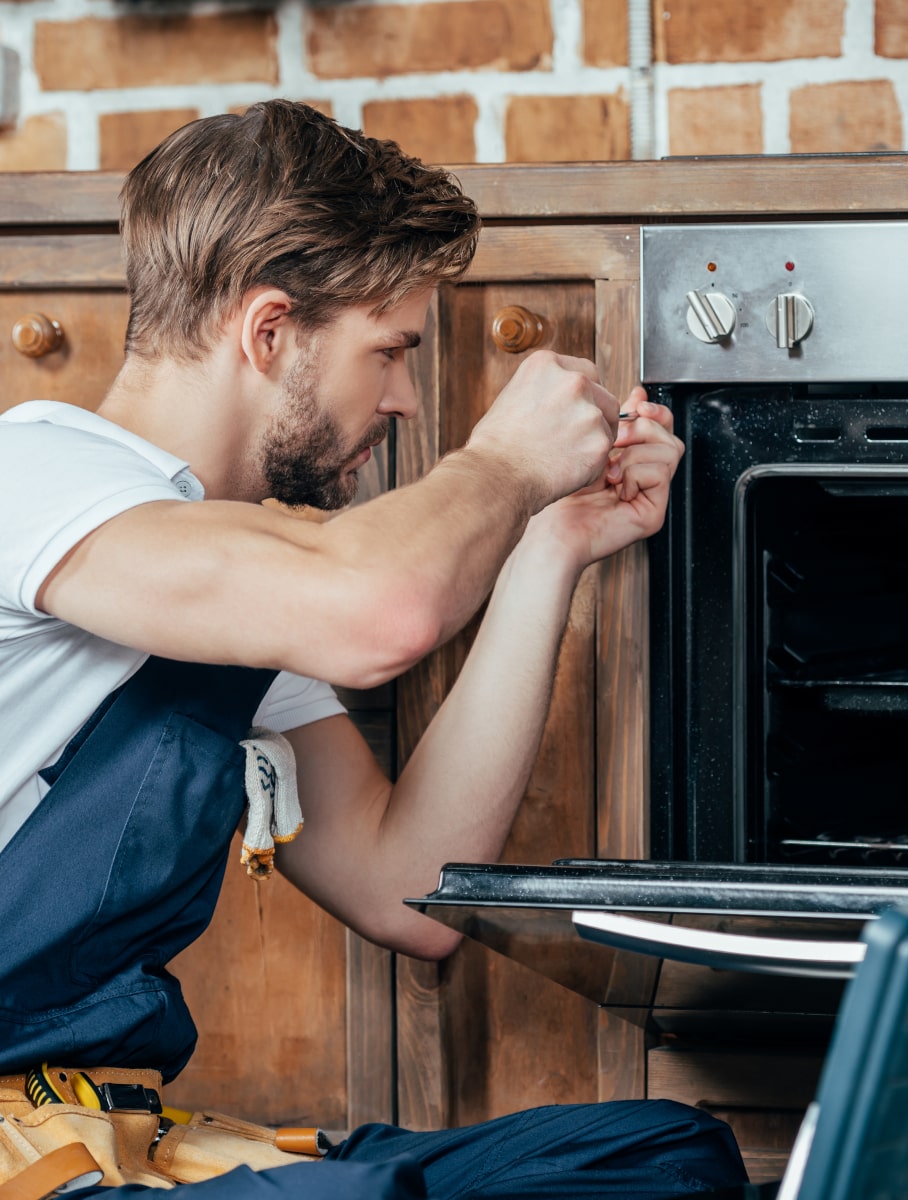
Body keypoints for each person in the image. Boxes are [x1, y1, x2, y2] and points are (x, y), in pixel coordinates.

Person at [0, 100, 748, 1198]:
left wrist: (550, 548)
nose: (404, 399)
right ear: (269, 331)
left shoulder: (250, 584)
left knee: (662, 1156)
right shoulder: (37, 480)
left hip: (104, 1138)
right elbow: (380, 614)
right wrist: (504, 465)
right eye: (389, 350)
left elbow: (408, 892)